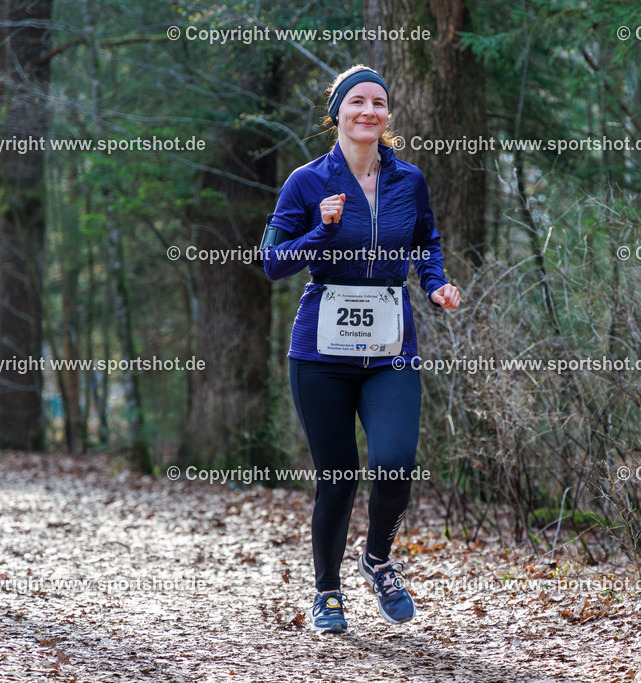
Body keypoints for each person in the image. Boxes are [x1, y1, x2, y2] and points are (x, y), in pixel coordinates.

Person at [260, 64, 461, 633]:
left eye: (378, 103)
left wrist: (435, 282)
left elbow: (426, 241)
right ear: (338, 113)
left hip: (390, 346)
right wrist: (320, 233)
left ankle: (376, 561)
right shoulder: (306, 181)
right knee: (339, 476)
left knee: (395, 464)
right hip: (321, 352)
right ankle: (327, 591)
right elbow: (272, 261)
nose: (369, 111)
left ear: (386, 115)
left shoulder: (409, 181)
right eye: (357, 102)